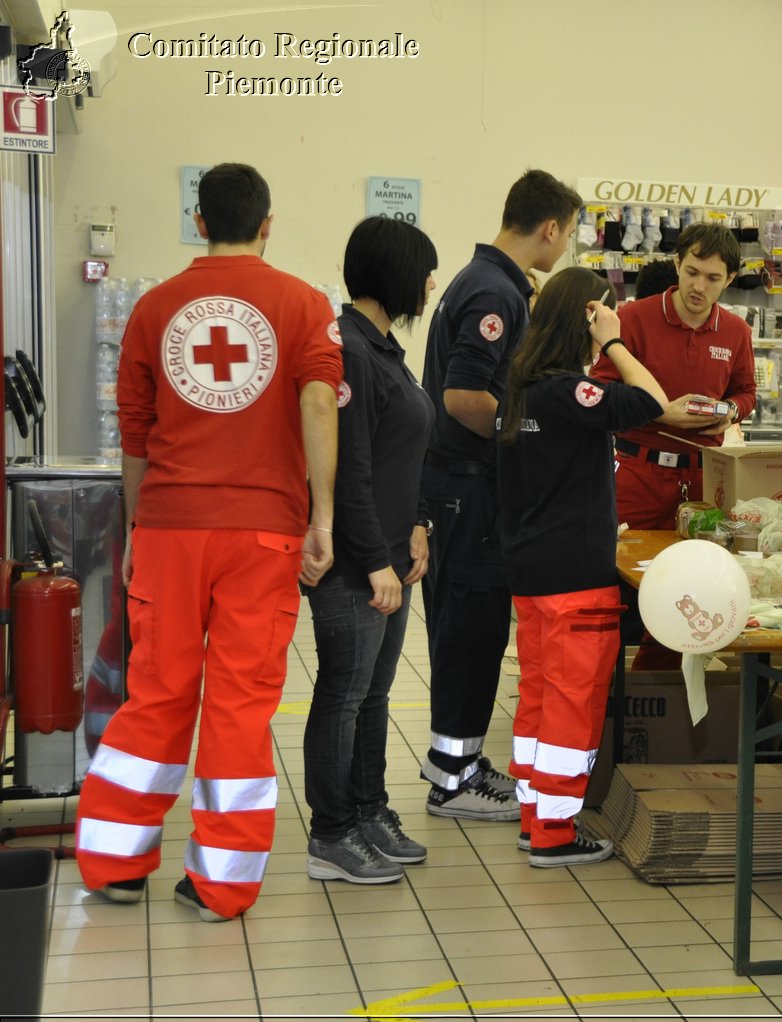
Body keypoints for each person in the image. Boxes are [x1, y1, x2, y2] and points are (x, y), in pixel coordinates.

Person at [74, 162, 341, 922]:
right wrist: (321, 519)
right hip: (263, 533)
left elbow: (135, 435)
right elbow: (319, 402)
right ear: (267, 223)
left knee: (155, 692)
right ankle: (221, 883)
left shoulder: (155, 307)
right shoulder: (302, 304)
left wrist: (134, 532)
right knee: (239, 704)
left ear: (199, 222)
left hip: (169, 527)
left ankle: (115, 865)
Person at [418, 169, 582, 821]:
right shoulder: (494, 291)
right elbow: (463, 396)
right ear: (549, 228)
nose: (564, 245)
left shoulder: (493, 282)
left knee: (476, 633)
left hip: (466, 490)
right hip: (469, 492)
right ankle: (453, 780)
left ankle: (457, 760)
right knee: (470, 632)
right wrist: (528, 441)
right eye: (567, 234)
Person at [497, 269, 666, 866]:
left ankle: (532, 815)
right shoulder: (572, 391)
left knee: (539, 699)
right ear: (588, 316)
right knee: (574, 704)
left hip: (532, 574)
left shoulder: (518, 388)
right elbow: (652, 401)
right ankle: (554, 833)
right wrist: (616, 342)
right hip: (576, 578)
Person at [302, 217, 438, 885]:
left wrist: (417, 526)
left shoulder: (384, 349)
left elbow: (397, 458)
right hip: (357, 567)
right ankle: (330, 832)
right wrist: (376, 560)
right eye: (425, 271)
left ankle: (367, 810)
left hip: (391, 555)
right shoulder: (351, 349)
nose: (431, 283)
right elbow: (348, 468)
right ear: (396, 274)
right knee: (343, 695)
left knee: (373, 697)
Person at [590, 222, 756, 531]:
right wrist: (661, 413)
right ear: (677, 264)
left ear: (730, 279)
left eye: (713, 278)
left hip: (704, 479)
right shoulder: (633, 318)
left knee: (697, 574)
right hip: (637, 475)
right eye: (692, 272)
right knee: (625, 567)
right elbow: (601, 392)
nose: (699, 287)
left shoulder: (736, 331)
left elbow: (746, 391)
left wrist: (731, 412)